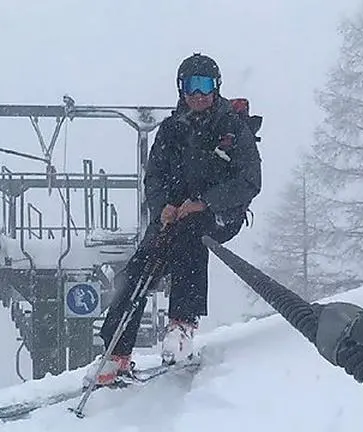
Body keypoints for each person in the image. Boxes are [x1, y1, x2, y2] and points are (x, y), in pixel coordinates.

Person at [87, 52, 262, 386]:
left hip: (218, 214)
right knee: (140, 265)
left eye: (205, 85)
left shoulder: (231, 128)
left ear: (216, 87)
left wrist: (205, 203)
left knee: (190, 237)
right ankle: (115, 351)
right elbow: (154, 177)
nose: (198, 94)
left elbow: (249, 181)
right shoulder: (171, 130)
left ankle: (182, 324)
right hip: (175, 214)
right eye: (191, 85)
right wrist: (162, 207)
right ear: (181, 88)